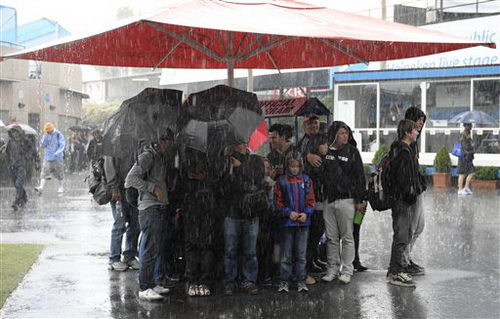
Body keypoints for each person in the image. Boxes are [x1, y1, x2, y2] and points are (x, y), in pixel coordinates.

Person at [125, 131, 174, 301]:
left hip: (158, 207)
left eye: (167, 140)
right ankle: (144, 287)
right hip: (149, 208)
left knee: (155, 247)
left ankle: (151, 283)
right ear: (156, 140)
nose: (166, 143)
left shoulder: (159, 157)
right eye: (163, 139)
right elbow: (130, 179)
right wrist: (153, 188)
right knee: (149, 248)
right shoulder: (147, 156)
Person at [320, 121, 366, 285]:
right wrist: (322, 155)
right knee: (331, 237)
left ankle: (347, 269)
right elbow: (321, 174)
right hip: (329, 199)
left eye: (346, 133)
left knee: (347, 236)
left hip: (347, 199)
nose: (344, 136)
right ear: (334, 135)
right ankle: (332, 269)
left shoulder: (352, 152)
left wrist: (360, 200)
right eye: (341, 133)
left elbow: (360, 177)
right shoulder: (326, 151)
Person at [222, 142, 266, 296]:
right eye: (237, 143)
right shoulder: (226, 162)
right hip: (232, 213)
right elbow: (225, 187)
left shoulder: (255, 160)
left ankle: (248, 280)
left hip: (251, 212)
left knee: (250, 251)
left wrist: (240, 167)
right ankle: (230, 281)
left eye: (241, 142)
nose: (239, 146)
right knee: (230, 250)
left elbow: (257, 180)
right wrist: (230, 167)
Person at [387, 119, 425, 287]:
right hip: (402, 201)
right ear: (408, 132)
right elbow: (404, 179)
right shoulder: (403, 151)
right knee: (402, 236)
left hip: (400, 199)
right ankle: (396, 272)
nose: (417, 133)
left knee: (402, 235)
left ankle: (396, 269)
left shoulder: (400, 149)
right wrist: (410, 195)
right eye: (415, 130)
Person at [176, 150, 217, 297]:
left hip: (199, 214)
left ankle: (197, 281)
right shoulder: (206, 164)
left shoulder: (189, 162)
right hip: (197, 214)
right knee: (199, 248)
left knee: (199, 248)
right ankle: (198, 281)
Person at [274, 152, 315, 293]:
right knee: (286, 255)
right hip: (287, 223)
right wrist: (288, 213)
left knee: (301, 255)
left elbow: (311, 201)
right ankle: (284, 281)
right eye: (291, 166)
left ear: (301, 166)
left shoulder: (306, 180)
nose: (294, 169)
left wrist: (306, 213)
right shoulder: (282, 181)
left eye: (297, 166)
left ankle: (301, 280)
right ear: (287, 166)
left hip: (303, 223)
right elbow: (278, 203)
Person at [297, 116, 328, 284]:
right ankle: (309, 261)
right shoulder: (302, 143)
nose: (313, 126)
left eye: (315, 123)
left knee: (318, 228)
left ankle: (313, 258)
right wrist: (307, 156)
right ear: (304, 126)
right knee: (311, 228)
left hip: (322, 190)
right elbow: (296, 159)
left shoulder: (324, 139)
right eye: (310, 123)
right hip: (308, 192)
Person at [103, 151, 140, 272]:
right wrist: (114, 188)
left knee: (135, 224)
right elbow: (109, 169)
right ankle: (114, 258)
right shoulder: (113, 147)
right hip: (119, 190)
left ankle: (129, 255)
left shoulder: (134, 143)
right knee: (119, 224)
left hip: (132, 191)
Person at [403, 106, 427, 276]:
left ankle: (406, 257)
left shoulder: (414, 143)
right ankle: (403, 261)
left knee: (419, 226)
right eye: (418, 119)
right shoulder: (404, 145)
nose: (421, 123)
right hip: (410, 192)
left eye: (423, 120)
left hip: (416, 189)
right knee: (410, 228)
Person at [5, 125, 38, 210]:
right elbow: (7, 153)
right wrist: (8, 163)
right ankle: (24, 197)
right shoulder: (10, 142)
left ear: (19, 132)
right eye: (13, 132)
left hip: (22, 165)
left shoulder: (25, 141)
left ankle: (17, 201)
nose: (14, 134)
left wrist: (27, 156)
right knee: (16, 184)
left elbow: (33, 151)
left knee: (19, 183)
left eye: (16, 132)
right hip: (13, 166)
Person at [35, 122, 66, 195]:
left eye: (49, 131)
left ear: (52, 129)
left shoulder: (58, 134)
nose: (48, 132)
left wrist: (57, 152)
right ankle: (41, 187)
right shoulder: (46, 134)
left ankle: (61, 187)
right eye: (47, 131)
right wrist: (45, 137)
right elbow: (42, 145)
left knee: (59, 172)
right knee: (44, 172)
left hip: (58, 157)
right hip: (48, 157)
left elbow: (62, 144)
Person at [457, 123, 475, 195]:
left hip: (468, 158)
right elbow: (465, 148)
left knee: (470, 172)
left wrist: (472, 146)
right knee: (462, 174)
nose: (471, 127)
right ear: (466, 126)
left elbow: (468, 146)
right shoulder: (463, 135)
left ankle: (466, 188)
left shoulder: (468, 135)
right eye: (469, 126)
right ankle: (460, 189)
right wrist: (472, 149)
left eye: (471, 126)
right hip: (464, 158)